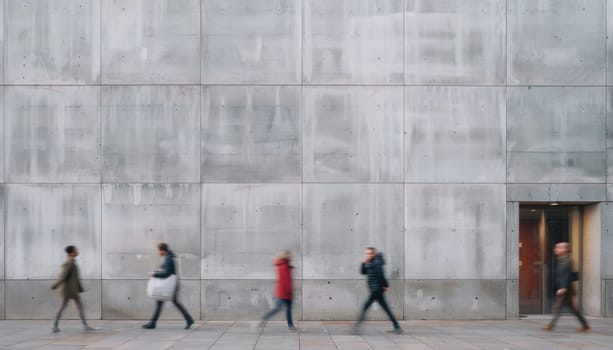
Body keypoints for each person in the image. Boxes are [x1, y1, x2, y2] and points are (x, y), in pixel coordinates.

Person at [142, 243, 194, 330]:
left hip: (171, 286)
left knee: (173, 302)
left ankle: (189, 319)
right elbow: (167, 271)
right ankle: (152, 323)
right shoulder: (169, 257)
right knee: (161, 303)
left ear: (162, 250)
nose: (158, 252)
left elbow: (167, 273)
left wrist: (154, 274)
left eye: (159, 250)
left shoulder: (169, 258)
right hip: (171, 285)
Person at [353, 247, 402, 334]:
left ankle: (356, 328)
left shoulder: (376, 263)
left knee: (365, 307)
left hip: (376, 290)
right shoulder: (370, 262)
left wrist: (385, 285)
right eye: (366, 253)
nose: (366, 255)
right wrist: (363, 262)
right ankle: (397, 327)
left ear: (373, 254)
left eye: (368, 253)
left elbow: (381, 275)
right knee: (386, 309)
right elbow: (363, 272)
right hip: (376, 289)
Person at [543, 242, 590, 332]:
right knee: (572, 309)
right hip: (565, 289)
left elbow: (567, 276)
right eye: (556, 248)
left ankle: (551, 325)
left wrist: (563, 287)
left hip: (565, 289)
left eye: (559, 248)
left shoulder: (567, 261)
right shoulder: (561, 260)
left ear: (565, 250)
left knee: (557, 307)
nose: (556, 249)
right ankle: (585, 325)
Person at [51, 245, 95, 333]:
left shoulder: (72, 262)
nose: (77, 251)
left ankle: (85, 325)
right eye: (76, 250)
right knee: (66, 307)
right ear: (72, 252)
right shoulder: (70, 263)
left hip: (72, 290)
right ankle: (55, 325)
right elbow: (63, 276)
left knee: (77, 307)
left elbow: (74, 278)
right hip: (69, 290)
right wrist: (55, 285)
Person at [259, 250, 298, 331]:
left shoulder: (285, 265)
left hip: (284, 291)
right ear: (286, 256)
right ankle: (263, 318)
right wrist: (289, 291)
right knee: (278, 308)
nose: (292, 256)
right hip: (284, 292)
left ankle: (290, 326)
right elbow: (285, 281)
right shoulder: (284, 267)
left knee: (288, 309)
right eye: (290, 255)